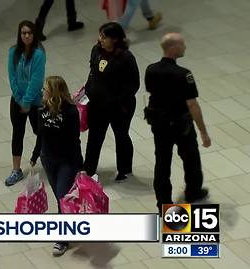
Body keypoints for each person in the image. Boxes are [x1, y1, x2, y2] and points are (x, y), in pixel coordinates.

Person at [144, 33, 210, 214]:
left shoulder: (151, 69)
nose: (185, 47)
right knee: (191, 159)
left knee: (162, 163)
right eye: (182, 45)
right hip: (181, 126)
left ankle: (163, 203)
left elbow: (151, 91)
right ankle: (193, 192)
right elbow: (192, 104)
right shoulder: (184, 74)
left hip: (159, 125)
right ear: (173, 48)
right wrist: (203, 131)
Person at [83, 22, 140, 181]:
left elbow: (134, 84)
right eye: (100, 35)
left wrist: (118, 102)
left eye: (104, 36)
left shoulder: (126, 58)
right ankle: (88, 169)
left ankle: (124, 169)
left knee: (121, 136)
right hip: (97, 106)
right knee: (94, 137)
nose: (100, 39)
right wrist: (87, 91)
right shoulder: (96, 51)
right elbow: (93, 73)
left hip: (119, 108)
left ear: (114, 39)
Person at [39, 76, 83, 256]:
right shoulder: (42, 109)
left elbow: (74, 139)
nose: (43, 92)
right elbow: (40, 134)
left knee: (61, 195)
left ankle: (62, 237)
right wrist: (35, 155)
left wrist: (81, 164)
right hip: (48, 158)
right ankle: (68, 223)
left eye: (46, 89)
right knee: (60, 196)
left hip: (67, 160)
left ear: (55, 91)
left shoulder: (71, 112)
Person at [6, 20, 46, 186]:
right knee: (17, 132)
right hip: (17, 101)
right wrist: (19, 98)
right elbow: (12, 77)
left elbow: (36, 80)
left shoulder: (38, 54)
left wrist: (27, 101)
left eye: (30, 33)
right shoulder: (13, 52)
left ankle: (48, 157)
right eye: (24, 33)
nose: (27, 36)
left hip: (35, 102)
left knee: (41, 131)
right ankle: (16, 169)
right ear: (19, 35)